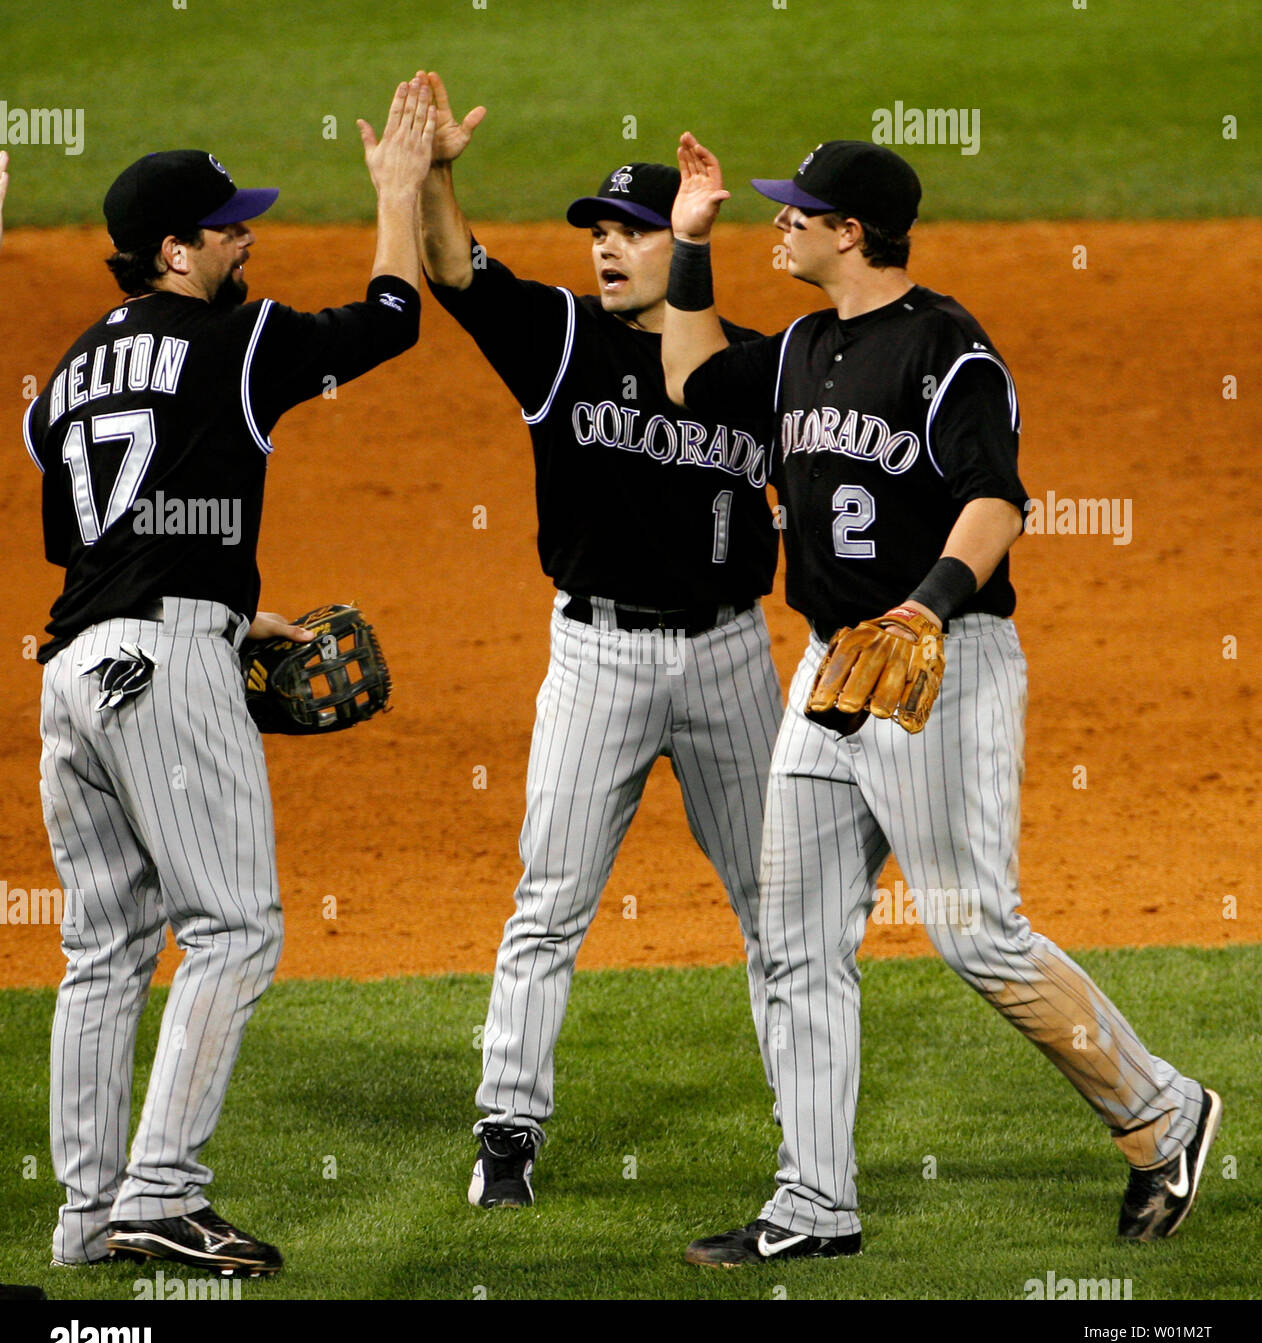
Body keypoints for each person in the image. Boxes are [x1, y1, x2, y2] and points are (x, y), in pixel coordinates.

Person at [660, 134, 1221, 1265]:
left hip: (936, 664)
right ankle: (812, 1203)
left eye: (795, 211)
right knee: (795, 937)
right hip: (830, 672)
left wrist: (921, 604)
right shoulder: (799, 349)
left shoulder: (946, 350)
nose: (779, 223)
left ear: (849, 231)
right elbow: (685, 374)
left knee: (973, 932)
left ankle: (1161, 1112)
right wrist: (686, 241)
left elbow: (995, 502)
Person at [24, 76, 437, 1274]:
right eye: (226, 227)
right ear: (174, 250)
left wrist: (235, 610)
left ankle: (87, 1218)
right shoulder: (238, 337)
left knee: (103, 950)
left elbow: (85, 506)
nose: (245, 238)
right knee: (237, 929)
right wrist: (398, 193)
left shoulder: (69, 373)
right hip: (161, 671)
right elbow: (393, 315)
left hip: (73, 670)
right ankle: (162, 1191)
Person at [419, 74, 782, 1208]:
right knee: (550, 899)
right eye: (598, 234)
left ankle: (808, 1133)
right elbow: (450, 269)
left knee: (782, 907)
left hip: (732, 657)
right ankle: (504, 1135)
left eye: (629, 233)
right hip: (598, 656)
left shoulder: (754, 369)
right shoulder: (554, 337)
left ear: (686, 241)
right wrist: (433, 172)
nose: (605, 251)